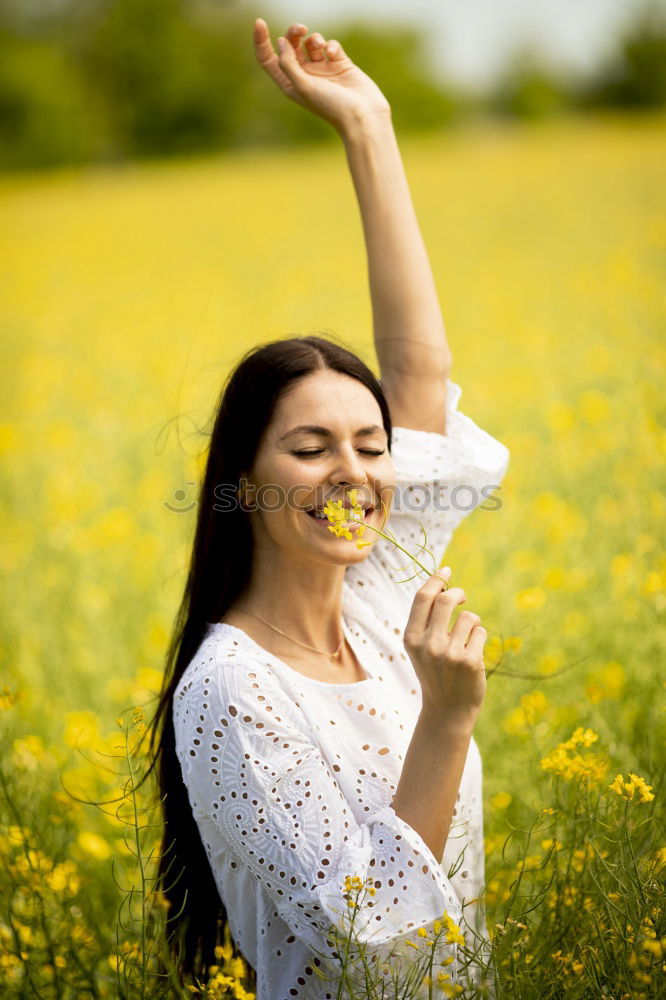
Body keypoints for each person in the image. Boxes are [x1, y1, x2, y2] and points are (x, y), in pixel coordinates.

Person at [149, 17, 510, 999]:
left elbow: (418, 370)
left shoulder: (376, 599)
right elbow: (373, 940)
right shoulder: (234, 690)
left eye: (369, 445)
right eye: (309, 449)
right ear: (245, 480)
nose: (352, 472)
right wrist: (446, 718)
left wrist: (369, 125)